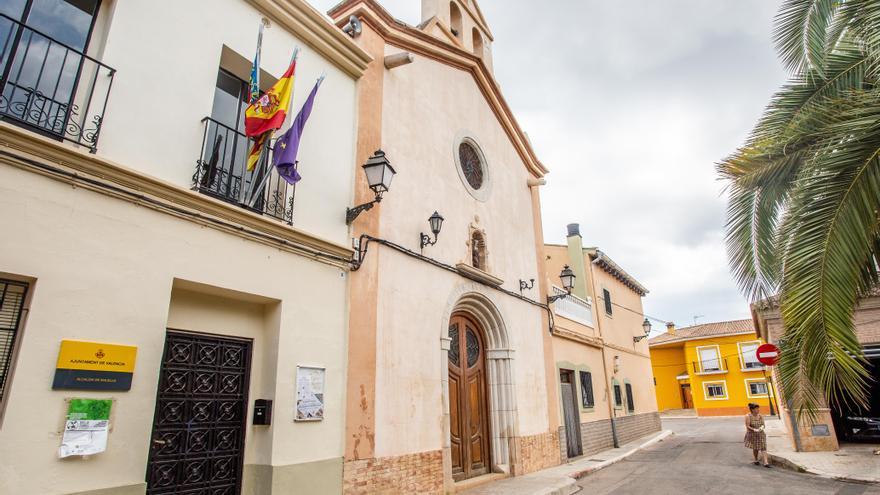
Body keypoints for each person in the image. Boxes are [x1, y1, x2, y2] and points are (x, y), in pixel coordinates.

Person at [744, 402, 770, 467]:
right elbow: (747, 426)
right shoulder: (748, 416)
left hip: (761, 434)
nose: (758, 410)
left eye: (758, 409)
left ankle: (766, 462)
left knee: (763, 447)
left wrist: (761, 428)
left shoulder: (760, 416)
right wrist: (754, 429)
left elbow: (763, 425)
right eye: (756, 409)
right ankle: (756, 459)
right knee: (755, 448)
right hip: (753, 434)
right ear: (752, 409)